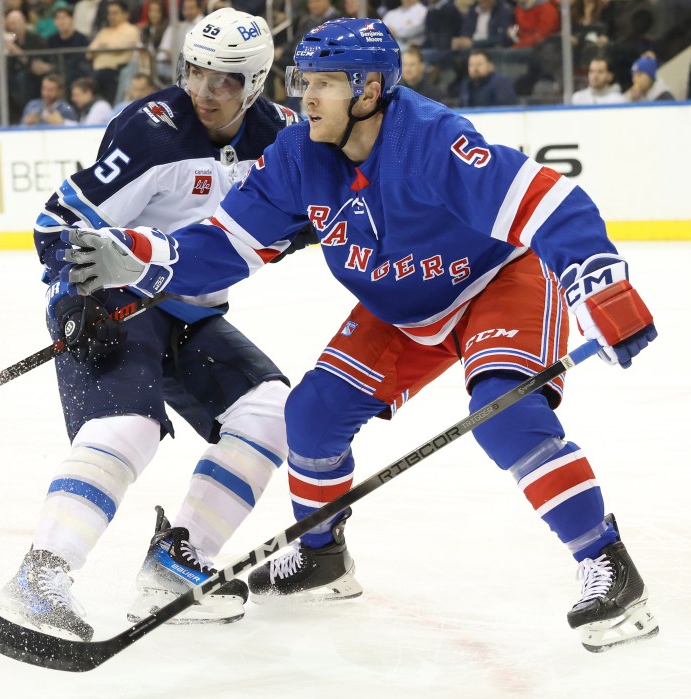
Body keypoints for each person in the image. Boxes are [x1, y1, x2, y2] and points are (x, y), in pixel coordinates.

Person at [65, 18, 660, 654]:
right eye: (303, 83)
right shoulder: (298, 157)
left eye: (322, 85)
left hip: (494, 285)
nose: (304, 100)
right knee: (311, 415)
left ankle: (607, 563)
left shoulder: (432, 141)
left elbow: (552, 203)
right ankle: (321, 557)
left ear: (370, 89)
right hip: (400, 309)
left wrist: (601, 286)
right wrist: (143, 255)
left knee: (505, 414)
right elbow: (227, 245)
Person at [0, 8, 309, 665]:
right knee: (128, 425)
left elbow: (303, 216)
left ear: (258, 83)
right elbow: (57, 222)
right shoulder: (153, 131)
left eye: (225, 81)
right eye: (196, 72)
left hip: (191, 309)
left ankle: (175, 564)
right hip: (109, 299)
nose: (205, 91)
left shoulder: (280, 138)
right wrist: (74, 302)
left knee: (269, 411)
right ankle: (42, 573)